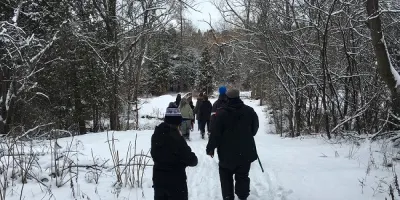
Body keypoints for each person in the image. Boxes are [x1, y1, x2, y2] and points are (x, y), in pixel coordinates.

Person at [206, 89, 259, 200]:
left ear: (227, 98)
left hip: (226, 154)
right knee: (243, 176)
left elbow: (215, 133)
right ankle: (243, 196)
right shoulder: (250, 111)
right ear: (239, 97)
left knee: (226, 176)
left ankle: (228, 196)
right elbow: (254, 130)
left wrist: (210, 148)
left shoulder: (221, 114)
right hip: (245, 152)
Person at [151, 106, 198, 200]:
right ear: (178, 122)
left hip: (159, 181)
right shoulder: (177, 138)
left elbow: (154, 155)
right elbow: (192, 160)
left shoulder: (157, 134)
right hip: (176, 183)